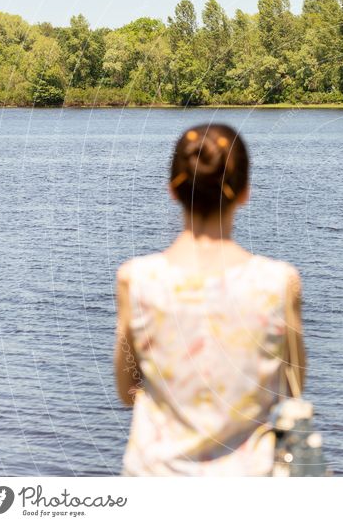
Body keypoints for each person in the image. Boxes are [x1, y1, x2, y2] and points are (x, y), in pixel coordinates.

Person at [114, 123, 305, 476]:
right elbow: (292, 388)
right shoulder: (278, 283)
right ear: (244, 192)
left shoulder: (137, 280)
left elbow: (128, 391)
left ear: (173, 190)